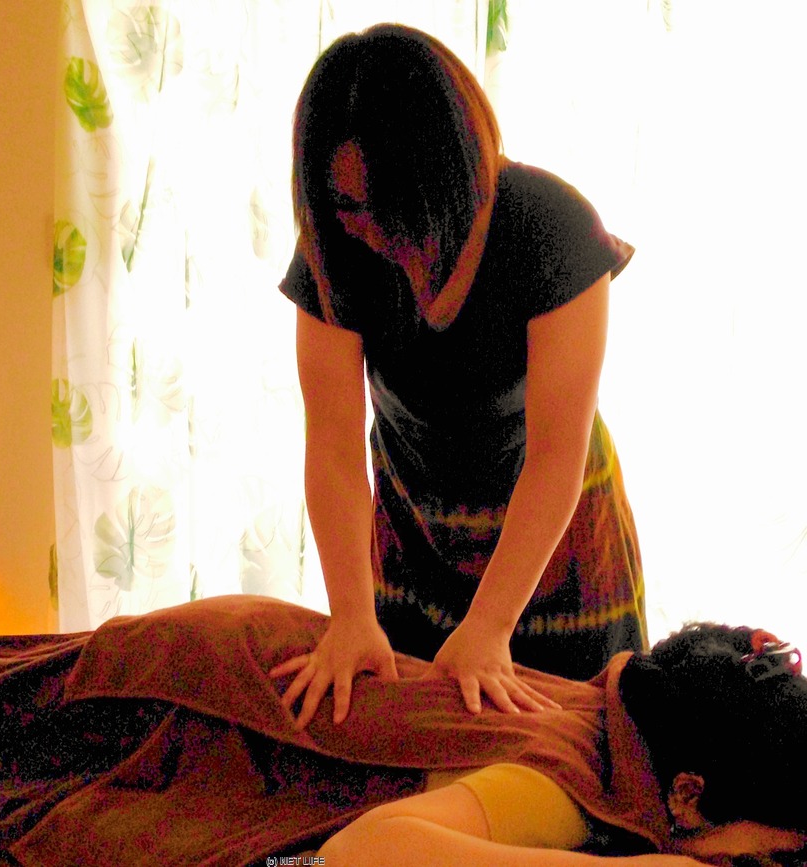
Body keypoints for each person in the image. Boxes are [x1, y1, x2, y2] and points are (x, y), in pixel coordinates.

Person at [274, 21, 645, 726]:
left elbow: (556, 453)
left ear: (446, 172)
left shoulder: (552, 229)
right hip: (416, 538)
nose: (373, 231)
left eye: (393, 205)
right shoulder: (334, 248)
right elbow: (333, 445)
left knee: (577, 750)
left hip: (555, 547)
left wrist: (491, 625)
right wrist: (350, 614)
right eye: (349, 206)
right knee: (419, 745)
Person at [314, 621, 807, 865]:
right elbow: (348, 854)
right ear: (688, 795)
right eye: (775, 860)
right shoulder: (570, 790)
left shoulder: (633, 727)